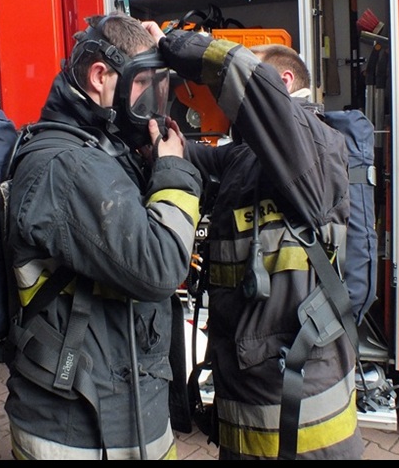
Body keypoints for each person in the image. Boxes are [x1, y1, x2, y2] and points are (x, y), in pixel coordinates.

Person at [142, 26, 365, 461]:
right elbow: (193, 158)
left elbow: (243, 76)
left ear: (281, 84)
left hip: (302, 427)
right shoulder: (250, 156)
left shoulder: (312, 144)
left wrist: (173, 43)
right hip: (253, 405)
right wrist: (154, 137)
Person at [3, 13, 203, 459]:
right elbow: (159, 267)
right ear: (100, 76)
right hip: (80, 426)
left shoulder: (101, 148)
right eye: (144, 87)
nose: (154, 105)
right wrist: (172, 174)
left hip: (123, 404)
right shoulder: (69, 166)